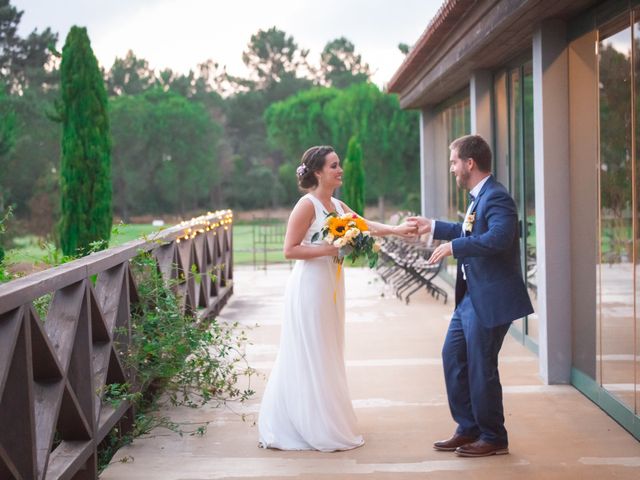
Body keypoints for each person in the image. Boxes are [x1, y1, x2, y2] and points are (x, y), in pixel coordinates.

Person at [258, 145, 416, 452]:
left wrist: (396, 230)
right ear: (318, 172)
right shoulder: (307, 205)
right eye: (334, 166)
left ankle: (324, 417)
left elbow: (364, 224)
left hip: (332, 285)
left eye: (338, 164)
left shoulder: (336, 204)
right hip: (310, 288)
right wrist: (333, 248)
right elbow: (289, 250)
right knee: (312, 350)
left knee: (328, 349)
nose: (340, 169)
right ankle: (305, 424)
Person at [408, 134, 533, 457]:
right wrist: (433, 226)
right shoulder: (479, 197)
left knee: (481, 366)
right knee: (453, 358)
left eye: (453, 162)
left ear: (470, 163)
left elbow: (500, 238)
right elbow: (469, 231)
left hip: (489, 298)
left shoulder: (497, 197)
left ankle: (494, 436)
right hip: (470, 299)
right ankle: (468, 428)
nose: (452, 169)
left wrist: (454, 247)